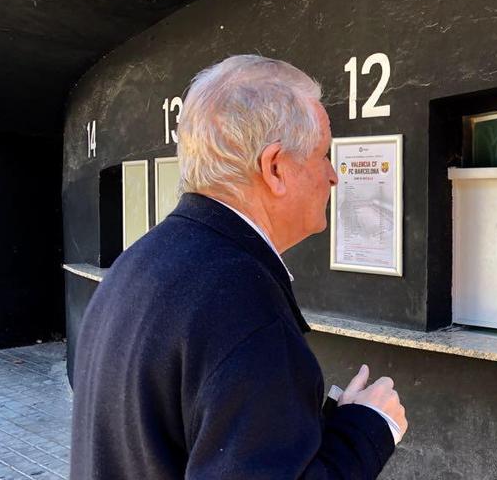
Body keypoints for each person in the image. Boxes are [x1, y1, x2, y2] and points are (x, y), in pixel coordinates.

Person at [70, 55, 407, 479]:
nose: (334, 175)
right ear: (275, 168)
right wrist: (369, 430)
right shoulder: (242, 305)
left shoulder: (136, 265)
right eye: (323, 154)